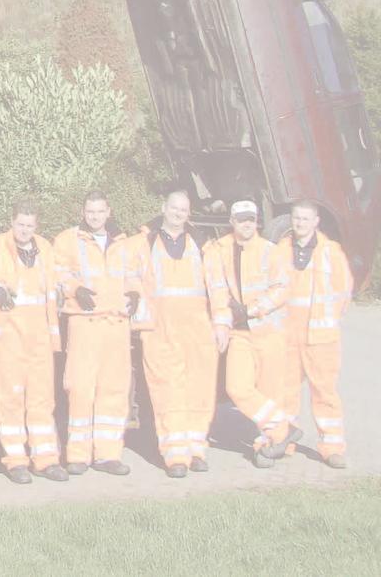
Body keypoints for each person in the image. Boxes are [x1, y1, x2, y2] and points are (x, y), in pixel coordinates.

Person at [0, 197, 67, 484]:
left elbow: (57, 282)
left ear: (36, 225)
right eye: (20, 224)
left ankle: (46, 459)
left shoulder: (46, 248)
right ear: (11, 221)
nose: (25, 230)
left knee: (43, 400)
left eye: (30, 225)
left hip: (39, 337)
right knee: (10, 399)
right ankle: (15, 460)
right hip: (8, 338)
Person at [53, 190, 140, 477]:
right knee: (79, 388)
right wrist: (74, 289)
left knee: (114, 390)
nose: (95, 216)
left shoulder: (124, 242)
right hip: (85, 322)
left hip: (116, 325)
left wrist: (135, 294)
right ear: (83, 212)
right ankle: (78, 455)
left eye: (100, 211)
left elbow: (134, 274)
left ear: (108, 212)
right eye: (90, 211)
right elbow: (56, 271)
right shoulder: (68, 239)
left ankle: (108, 455)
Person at [132, 189, 218, 478]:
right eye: (173, 208)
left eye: (183, 210)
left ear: (188, 214)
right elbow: (131, 278)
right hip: (160, 331)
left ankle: (195, 450)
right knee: (166, 391)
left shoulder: (202, 243)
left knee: (199, 390)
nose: (178, 213)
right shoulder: (145, 242)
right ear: (163, 208)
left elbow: (217, 287)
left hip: (197, 330)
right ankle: (174, 455)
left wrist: (222, 324)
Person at [204, 200, 290, 468]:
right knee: (236, 387)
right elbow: (217, 291)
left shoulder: (271, 251)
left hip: (268, 331)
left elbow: (282, 288)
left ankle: (267, 447)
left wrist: (251, 310)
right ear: (231, 221)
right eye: (242, 219)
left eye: (251, 219)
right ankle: (285, 429)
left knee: (269, 392)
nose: (247, 224)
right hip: (239, 334)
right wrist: (221, 325)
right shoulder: (219, 251)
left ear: (257, 221)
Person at [275, 199, 353, 468]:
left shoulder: (331, 252)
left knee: (325, 392)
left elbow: (344, 292)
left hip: (321, 337)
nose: (300, 223)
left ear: (316, 221)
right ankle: (284, 440)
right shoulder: (279, 251)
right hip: (287, 334)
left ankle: (332, 446)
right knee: (284, 390)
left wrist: (327, 320)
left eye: (306, 219)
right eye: (297, 218)